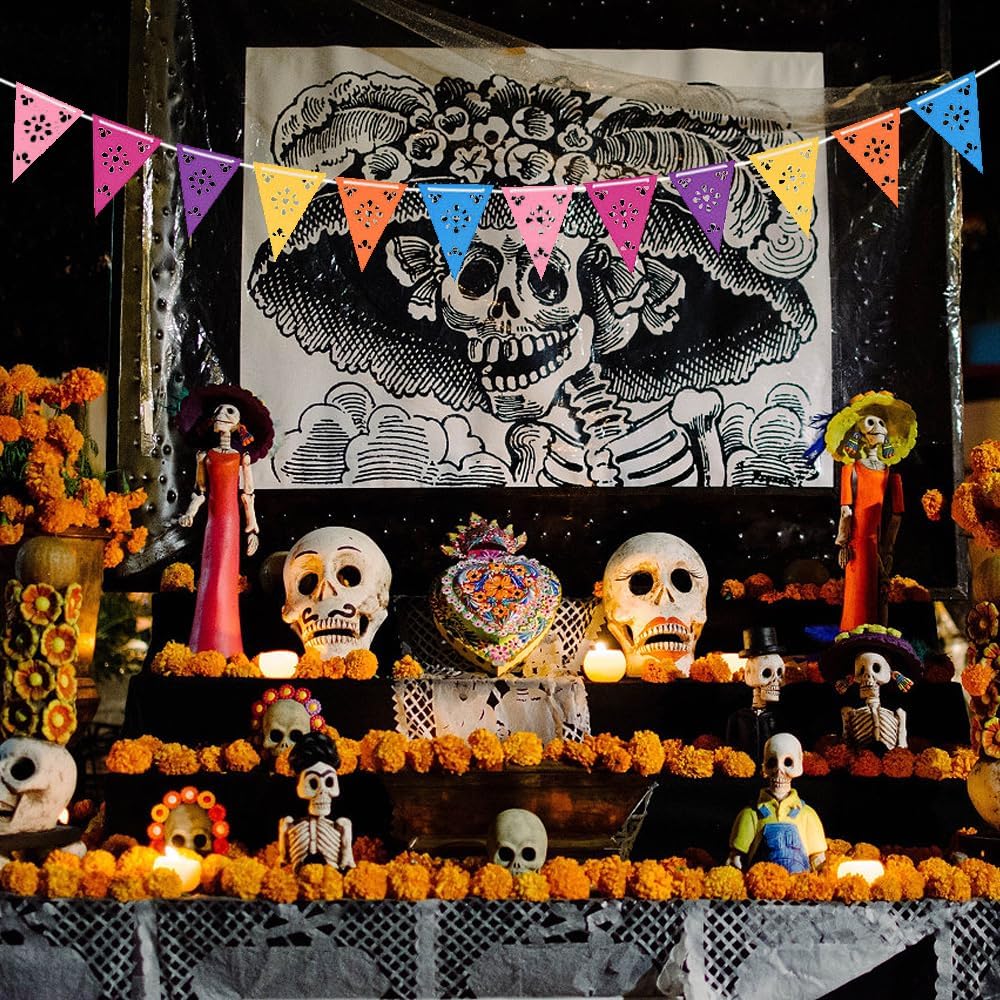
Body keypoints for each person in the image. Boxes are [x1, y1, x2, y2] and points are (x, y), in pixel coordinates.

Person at [177, 384, 273, 656]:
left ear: (240, 423)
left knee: (226, 574)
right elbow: (200, 491)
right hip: (213, 521)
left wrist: (252, 528)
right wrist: (190, 513)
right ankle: (204, 641)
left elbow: (248, 493)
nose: (222, 414)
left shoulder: (242, 457)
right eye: (218, 411)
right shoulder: (204, 456)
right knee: (210, 572)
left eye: (229, 411)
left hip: (231, 522)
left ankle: (228, 643)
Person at [824, 391, 917, 631]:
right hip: (858, 542)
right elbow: (846, 509)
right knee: (858, 592)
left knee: (879, 592)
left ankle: (877, 634)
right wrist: (844, 542)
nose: (877, 428)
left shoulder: (889, 472)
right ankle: (853, 633)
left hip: (877, 541)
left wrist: (888, 548)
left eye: (881, 423)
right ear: (859, 431)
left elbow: (897, 514)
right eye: (870, 422)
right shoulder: (851, 468)